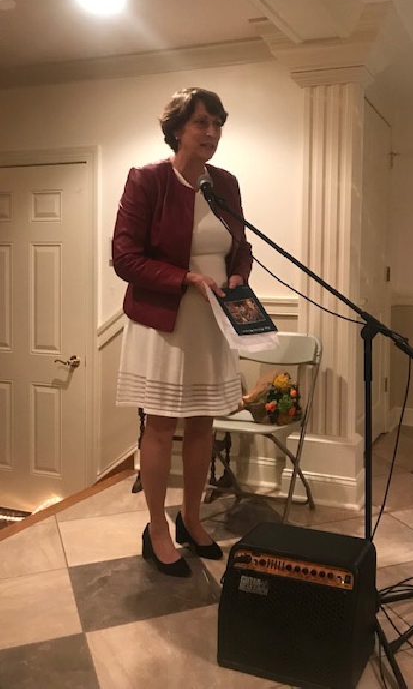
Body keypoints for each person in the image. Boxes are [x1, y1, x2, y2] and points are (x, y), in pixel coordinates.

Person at [112, 87, 252, 577]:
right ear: (176, 129)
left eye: (217, 123)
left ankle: (191, 518)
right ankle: (156, 528)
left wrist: (239, 276)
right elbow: (124, 258)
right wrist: (186, 278)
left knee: (202, 424)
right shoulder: (147, 180)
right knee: (161, 425)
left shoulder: (226, 184)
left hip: (213, 321)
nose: (212, 132)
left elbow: (241, 246)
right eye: (201, 123)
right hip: (164, 321)